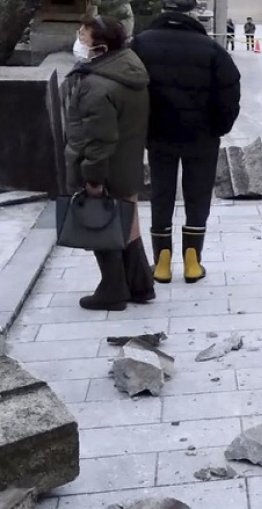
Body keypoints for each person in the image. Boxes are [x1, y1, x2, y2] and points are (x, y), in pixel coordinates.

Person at [131, 0, 241, 285]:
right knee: (198, 194)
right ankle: (193, 259)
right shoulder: (212, 49)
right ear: (193, 13)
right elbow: (229, 90)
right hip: (201, 136)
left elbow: (130, 88)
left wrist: (141, 127)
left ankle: (162, 261)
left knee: (162, 192)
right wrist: (219, 127)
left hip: (158, 134)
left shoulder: (140, 45)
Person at [62, 15, 153, 310]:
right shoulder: (129, 69)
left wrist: (92, 178)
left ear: (99, 48)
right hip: (128, 162)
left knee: (101, 223)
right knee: (127, 225)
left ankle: (112, 290)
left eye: (83, 36)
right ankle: (140, 285)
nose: (78, 40)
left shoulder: (99, 86)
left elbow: (98, 139)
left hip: (107, 167)